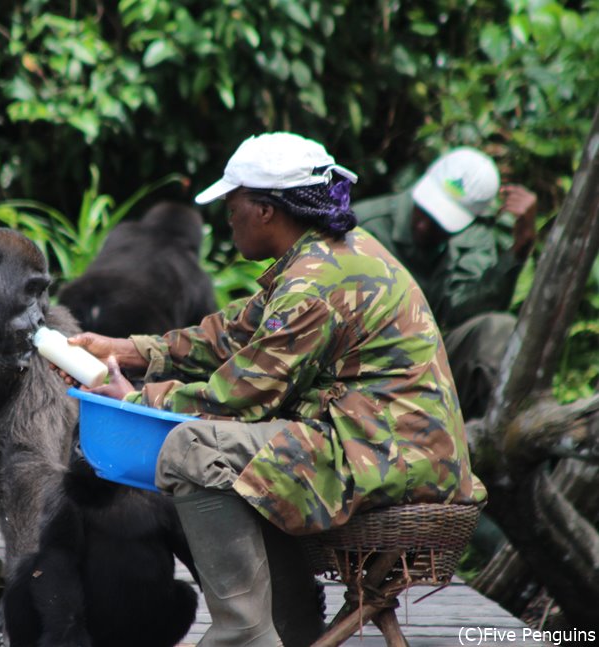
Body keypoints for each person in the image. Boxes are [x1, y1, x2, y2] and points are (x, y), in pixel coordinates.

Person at [61, 132, 486, 647]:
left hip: (389, 459)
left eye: (233, 203)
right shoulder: (334, 255)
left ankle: (245, 634)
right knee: (242, 451)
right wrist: (128, 349)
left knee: (193, 449)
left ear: (265, 210)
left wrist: (131, 399)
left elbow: (237, 398)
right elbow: (230, 335)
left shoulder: (313, 284)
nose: (228, 216)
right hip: (392, 449)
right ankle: (291, 626)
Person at [354, 148, 538, 419]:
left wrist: (517, 253)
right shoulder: (364, 226)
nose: (426, 226)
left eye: (442, 221)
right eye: (425, 211)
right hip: (365, 359)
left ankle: (497, 438)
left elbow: (464, 310)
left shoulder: (473, 240)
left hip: (429, 357)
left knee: (498, 329)